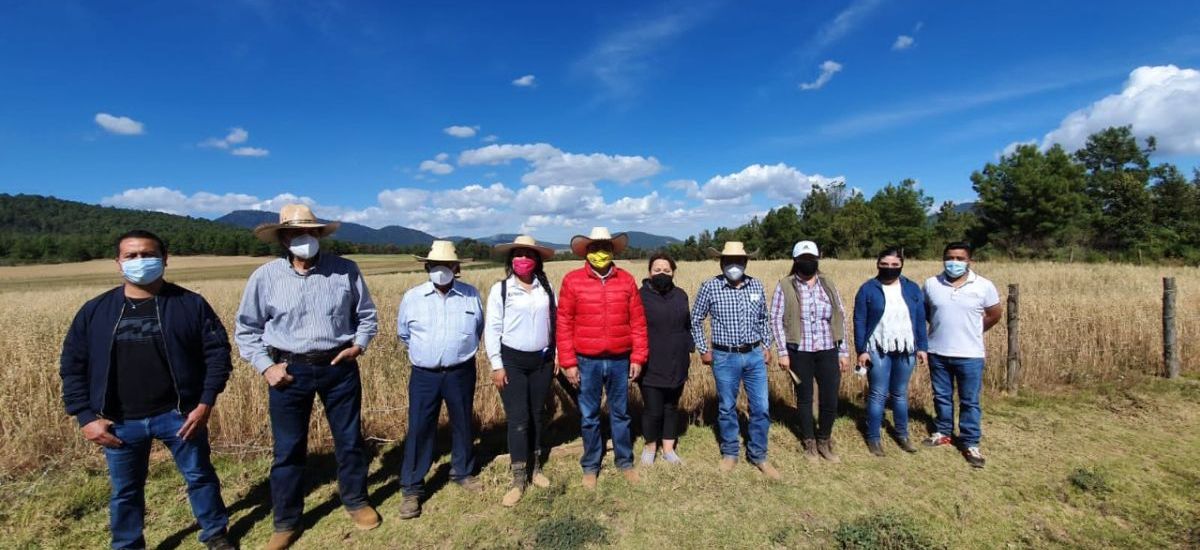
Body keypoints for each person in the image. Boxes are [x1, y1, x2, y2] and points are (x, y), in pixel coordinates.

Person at [60, 230, 235, 550]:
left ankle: (215, 533)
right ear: (118, 262)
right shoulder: (95, 311)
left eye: (148, 255)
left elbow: (218, 354)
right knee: (125, 489)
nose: (140, 261)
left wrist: (205, 402)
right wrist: (85, 417)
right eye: (131, 256)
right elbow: (72, 367)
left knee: (199, 476)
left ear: (165, 259)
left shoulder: (189, 304)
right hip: (119, 419)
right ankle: (127, 544)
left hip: (180, 414)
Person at [234, 205, 380, 549]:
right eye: (298, 233)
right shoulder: (265, 277)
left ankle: (356, 501)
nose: (307, 239)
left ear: (320, 235)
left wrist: (357, 347)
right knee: (287, 449)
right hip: (288, 371)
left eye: (312, 232)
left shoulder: (346, 270)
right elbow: (246, 330)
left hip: (339, 366)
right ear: (284, 238)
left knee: (348, 441)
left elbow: (367, 316)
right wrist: (267, 367)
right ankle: (286, 521)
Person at [396, 240, 485, 517]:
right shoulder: (412, 297)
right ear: (427, 267)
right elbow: (403, 334)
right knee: (420, 428)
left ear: (456, 268)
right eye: (436, 266)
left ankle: (463, 471)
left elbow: (478, 328)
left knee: (462, 423)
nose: (441, 270)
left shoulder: (471, 295)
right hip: (424, 375)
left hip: (461, 371)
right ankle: (412, 487)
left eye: (447, 266)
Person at [556, 227, 648, 489]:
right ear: (586, 252)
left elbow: (638, 323)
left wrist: (638, 357)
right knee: (589, 415)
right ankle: (591, 465)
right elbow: (564, 323)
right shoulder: (572, 281)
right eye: (595, 248)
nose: (600, 253)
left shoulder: (627, 280)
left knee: (621, 414)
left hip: (621, 359)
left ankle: (624, 461)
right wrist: (569, 362)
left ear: (612, 251)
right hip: (586, 360)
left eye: (605, 248)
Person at [691, 241, 779, 479]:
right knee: (727, 406)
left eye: (738, 261)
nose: (733, 266)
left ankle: (759, 455)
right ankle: (730, 453)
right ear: (721, 263)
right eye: (728, 261)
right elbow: (696, 319)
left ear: (746, 262)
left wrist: (766, 346)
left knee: (761, 407)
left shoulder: (756, 285)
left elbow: (764, 319)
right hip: (724, 356)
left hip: (754, 355)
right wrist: (703, 348)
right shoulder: (710, 287)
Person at [484, 235, 557, 507]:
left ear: (536, 260)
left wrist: (556, 353)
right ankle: (518, 479)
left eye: (528, 255)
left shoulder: (546, 289)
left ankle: (536, 469)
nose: (523, 260)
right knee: (518, 418)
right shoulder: (501, 290)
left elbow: (555, 321)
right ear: (511, 260)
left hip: (542, 361)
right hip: (512, 361)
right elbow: (492, 329)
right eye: (518, 254)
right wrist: (496, 364)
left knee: (538, 415)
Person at [923, 242, 1002, 468]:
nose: (954, 262)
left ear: (970, 261)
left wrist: (975, 330)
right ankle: (943, 432)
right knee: (941, 396)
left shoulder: (984, 286)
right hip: (937, 351)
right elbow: (927, 312)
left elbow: (994, 314)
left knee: (969, 401)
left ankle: (970, 441)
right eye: (950, 257)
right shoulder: (931, 284)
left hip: (970, 354)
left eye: (959, 258)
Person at [769, 240, 850, 464]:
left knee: (830, 398)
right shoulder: (785, 285)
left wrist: (843, 351)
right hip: (800, 351)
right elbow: (775, 319)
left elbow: (840, 316)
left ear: (817, 259)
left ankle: (824, 438)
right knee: (804, 399)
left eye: (811, 259)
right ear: (795, 261)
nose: (807, 263)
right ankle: (809, 442)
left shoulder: (828, 283)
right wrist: (783, 352)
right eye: (803, 259)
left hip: (827, 349)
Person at [853, 248, 928, 457]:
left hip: (906, 347)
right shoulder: (868, 289)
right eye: (885, 264)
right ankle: (874, 438)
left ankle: (903, 435)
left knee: (899, 393)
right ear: (878, 264)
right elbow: (859, 321)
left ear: (902, 265)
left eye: (895, 265)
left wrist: (922, 347)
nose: (889, 268)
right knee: (877, 393)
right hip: (878, 348)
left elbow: (920, 319)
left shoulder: (912, 288)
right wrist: (862, 350)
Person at [638, 252, 692, 466]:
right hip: (650, 361)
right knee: (653, 408)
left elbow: (687, 325)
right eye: (657, 270)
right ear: (649, 272)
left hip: (677, 360)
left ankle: (668, 448)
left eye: (666, 270)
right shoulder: (639, 296)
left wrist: (689, 346)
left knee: (671, 406)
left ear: (673, 272)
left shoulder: (681, 295)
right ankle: (650, 446)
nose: (662, 273)